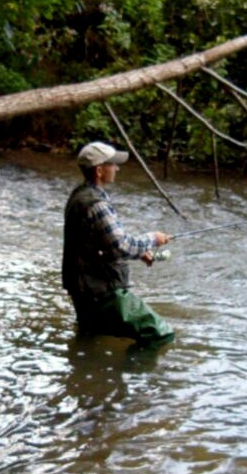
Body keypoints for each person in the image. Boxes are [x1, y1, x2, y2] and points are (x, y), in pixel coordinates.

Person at [62, 141, 175, 347]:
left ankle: (90, 374)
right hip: (100, 291)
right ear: (99, 170)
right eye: (112, 164)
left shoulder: (78, 195)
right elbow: (121, 245)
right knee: (160, 334)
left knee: (90, 336)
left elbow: (101, 241)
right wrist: (153, 238)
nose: (117, 168)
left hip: (82, 289)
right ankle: (129, 375)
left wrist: (140, 252)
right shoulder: (97, 205)